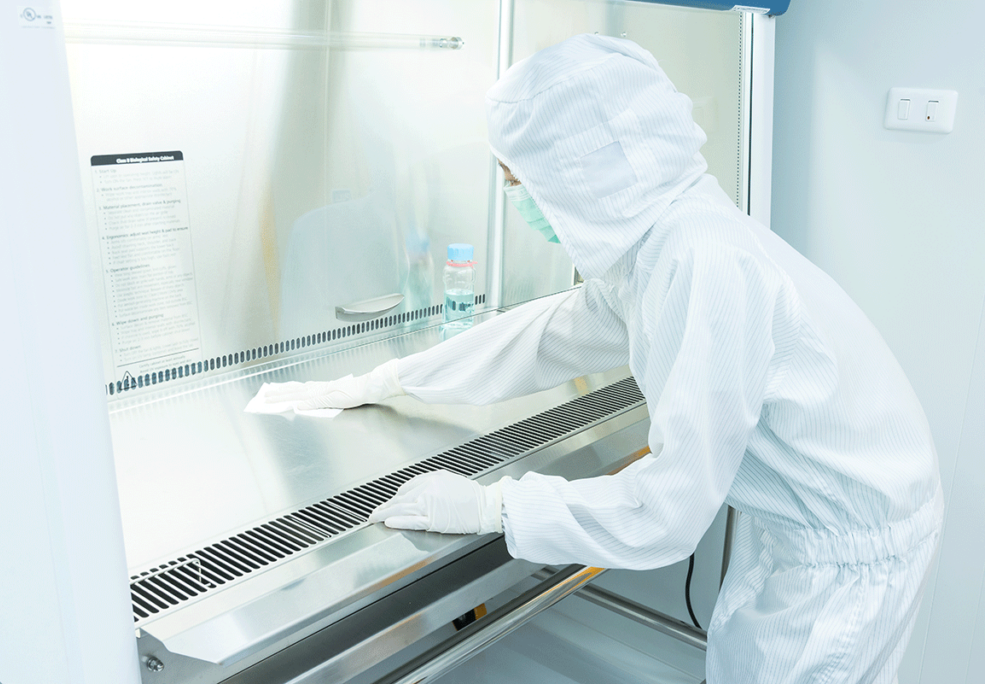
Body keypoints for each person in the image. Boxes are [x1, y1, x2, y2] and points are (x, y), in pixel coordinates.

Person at [261, 35, 942, 684]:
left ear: (576, 172)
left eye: (516, 179)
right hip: (807, 533)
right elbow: (554, 331)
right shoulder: (663, 237)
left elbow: (667, 513)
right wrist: (393, 379)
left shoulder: (701, 261)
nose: (515, 198)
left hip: (844, 562)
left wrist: (494, 507)